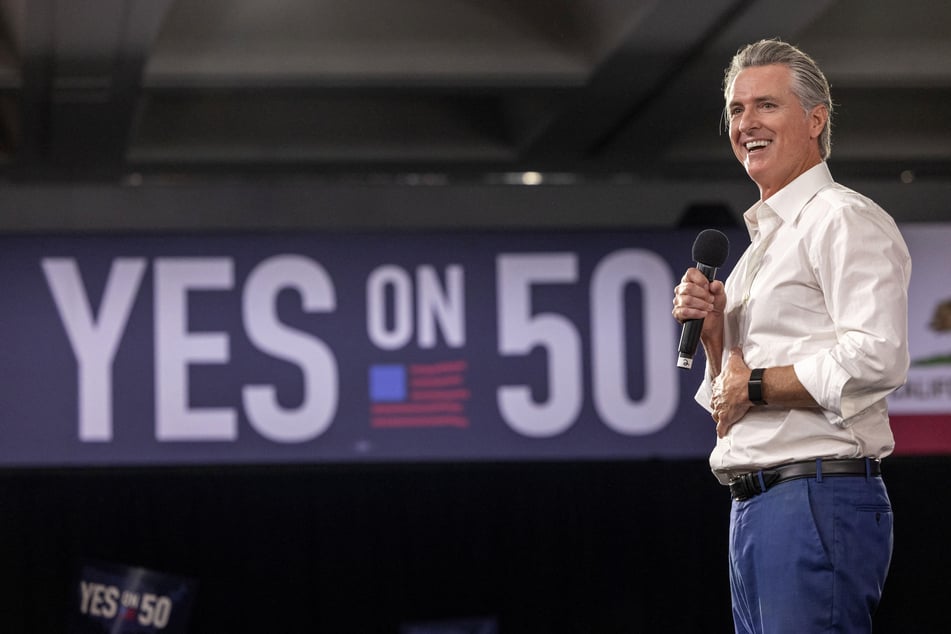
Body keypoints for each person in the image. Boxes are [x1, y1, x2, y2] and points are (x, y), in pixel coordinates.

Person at [671, 39, 911, 633]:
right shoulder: (758, 250)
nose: (746, 123)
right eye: (735, 109)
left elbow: (877, 356)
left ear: (816, 119)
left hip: (814, 499)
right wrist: (714, 336)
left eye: (766, 106)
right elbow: (731, 403)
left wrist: (752, 384)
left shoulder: (840, 218)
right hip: (757, 506)